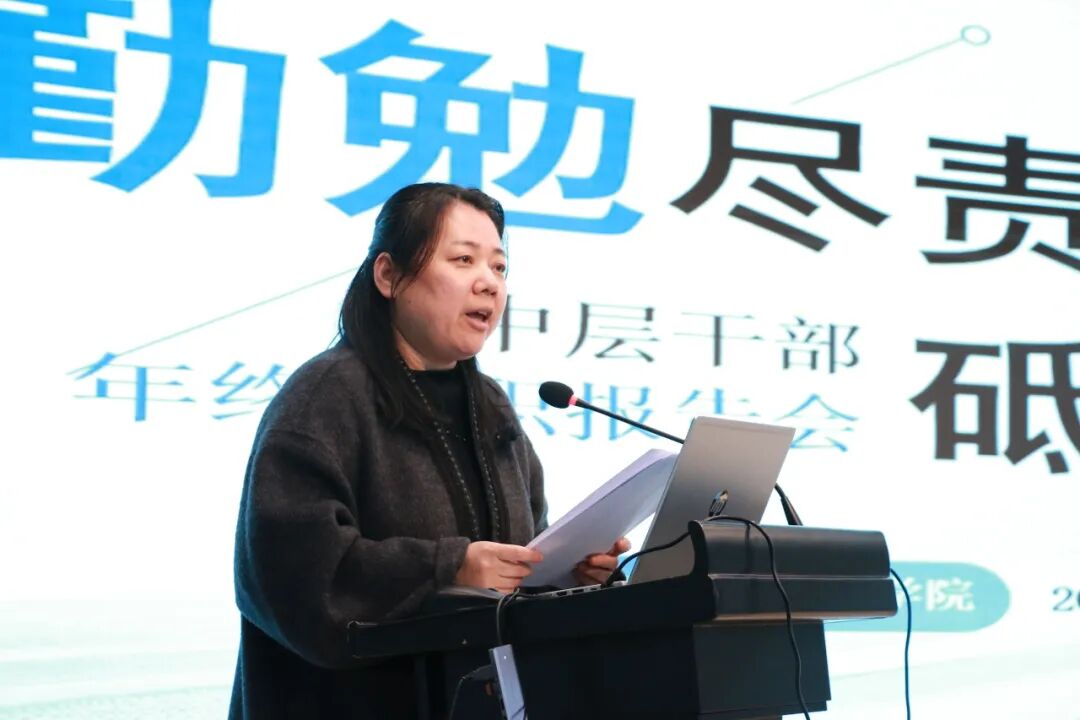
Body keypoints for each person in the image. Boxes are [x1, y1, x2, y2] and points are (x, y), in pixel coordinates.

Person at [228, 182, 629, 719]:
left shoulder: (490, 405)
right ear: (389, 275)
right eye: (463, 260)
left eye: (499, 267)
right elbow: (289, 574)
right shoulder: (326, 395)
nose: (489, 283)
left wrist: (568, 573)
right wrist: (448, 569)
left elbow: (519, 554)